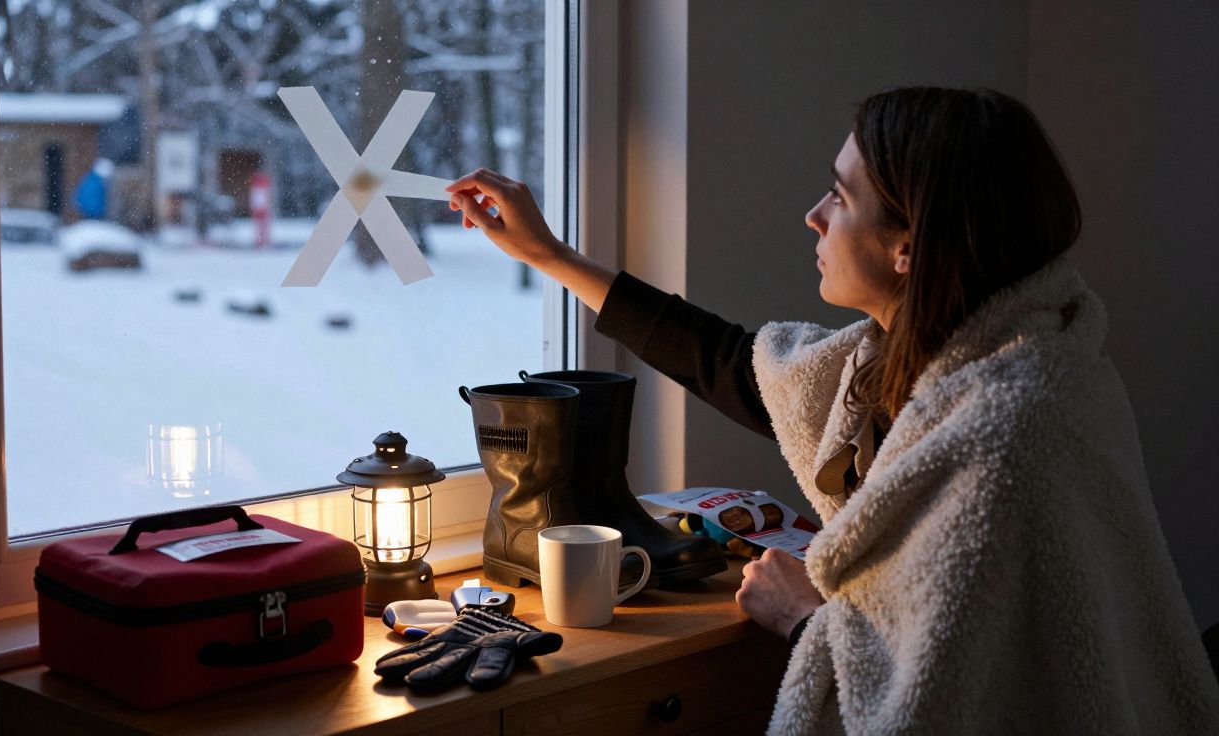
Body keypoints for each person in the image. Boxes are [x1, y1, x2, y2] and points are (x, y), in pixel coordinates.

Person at [447, 87, 1219, 734]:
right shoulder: (912, 363)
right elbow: (738, 366)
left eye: (841, 196)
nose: (814, 215)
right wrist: (549, 255)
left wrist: (805, 618)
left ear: (907, 246)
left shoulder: (1009, 431)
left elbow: (945, 704)